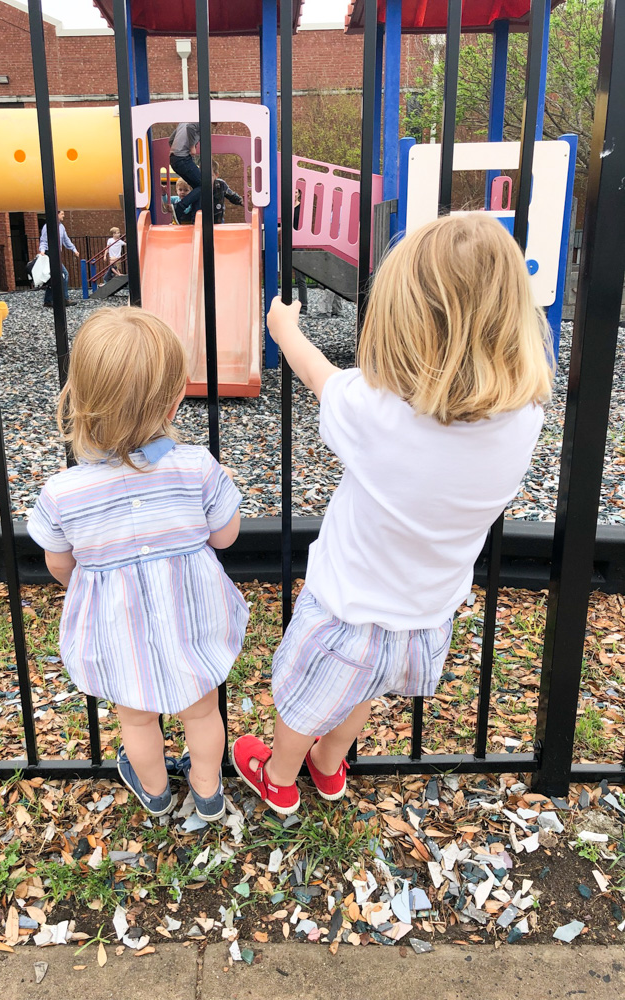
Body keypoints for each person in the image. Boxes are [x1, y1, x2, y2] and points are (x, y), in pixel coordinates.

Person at [232, 213, 554, 815]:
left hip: (346, 605)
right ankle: (329, 767)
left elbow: (319, 376)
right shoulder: (525, 419)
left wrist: (284, 331)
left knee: (305, 699)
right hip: (425, 615)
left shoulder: (377, 411)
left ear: (402, 317)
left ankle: (277, 774)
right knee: (365, 688)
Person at [28, 307, 249, 821]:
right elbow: (227, 535)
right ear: (174, 399)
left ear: (78, 398)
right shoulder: (197, 466)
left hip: (117, 625)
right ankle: (208, 791)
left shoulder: (63, 493)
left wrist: (92, 579)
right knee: (202, 709)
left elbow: (58, 563)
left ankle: (153, 793)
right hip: (191, 618)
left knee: (137, 719)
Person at [38, 209, 79, 307]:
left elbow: (66, 240)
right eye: (62, 214)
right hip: (49, 253)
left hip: (56, 254)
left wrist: (74, 249)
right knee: (64, 274)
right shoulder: (47, 226)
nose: (63, 216)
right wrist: (42, 251)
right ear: (56, 215)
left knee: (54, 277)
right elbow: (43, 240)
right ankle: (64, 299)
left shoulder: (61, 227)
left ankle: (48, 300)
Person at [168, 122, 202, 222]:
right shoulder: (199, 119)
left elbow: (171, 140)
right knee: (205, 185)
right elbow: (190, 127)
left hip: (174, 159)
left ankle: (195, 218)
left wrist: (177, 148)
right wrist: (192, 146)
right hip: (183, 159)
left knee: (198, 187)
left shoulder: (183, 122)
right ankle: (179, 207)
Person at [211, 159, 243, 224]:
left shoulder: (221, 184)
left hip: (218, 221)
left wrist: (240, 201)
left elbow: (231, 195)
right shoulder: (199, 186)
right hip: (203, 221)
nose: (205, 178)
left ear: (216, 175)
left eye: (209, 175)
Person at [293, 189, 307, 316]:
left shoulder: (302, 208)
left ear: (299, 194)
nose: (294, 193)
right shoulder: (284, 207)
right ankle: (287, 304)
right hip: (287, 243)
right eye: (292, 191)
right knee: (284, 273)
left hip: (299, 243)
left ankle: (304, 307)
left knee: (300, 277)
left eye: (296, 192)